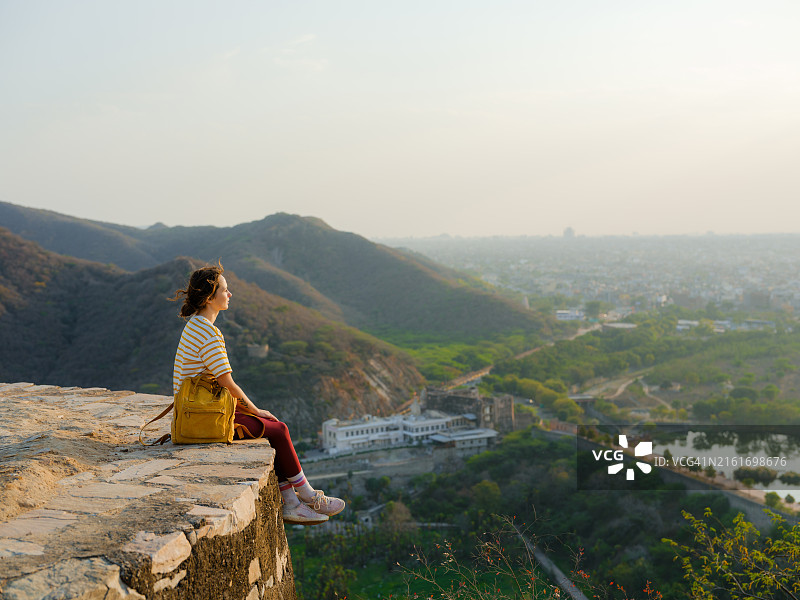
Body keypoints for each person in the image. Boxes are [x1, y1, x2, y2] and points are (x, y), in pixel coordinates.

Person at [172, 263, 345, 525]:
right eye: (225, 290)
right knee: (278, 429)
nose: (230, 294)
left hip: (196, 412)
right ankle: (307, 496)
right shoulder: (208, 333)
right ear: (209, 298)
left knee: (272, 428)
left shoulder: (194, 325)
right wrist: (254, 410)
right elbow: (228, 383)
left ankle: (292, 502)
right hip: (205, 419)